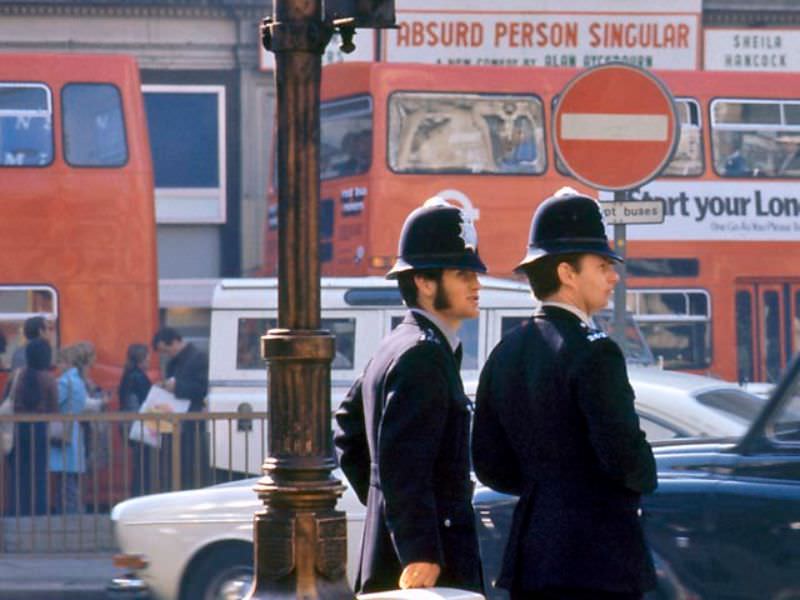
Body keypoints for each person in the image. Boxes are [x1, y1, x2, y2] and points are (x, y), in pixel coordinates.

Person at [472, 190, 658, 600]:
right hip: (598, 560)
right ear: (566, 273)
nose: (613, 277)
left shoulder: (507, 350)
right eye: (603, 265)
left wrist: (546, 489)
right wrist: (646, 473)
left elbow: (488, 461)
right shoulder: (595, 351)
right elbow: (624, 454)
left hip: (532, 554)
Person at [334, 198, 485, 594]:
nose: (476, 285)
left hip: (405, 554)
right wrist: (418, 547)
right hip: (422, 566)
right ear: (423, 281)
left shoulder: (404, 345)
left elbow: (348, 433)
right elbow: (403, 466)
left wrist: (387, 510)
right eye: (461, 273)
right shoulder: (421, 354)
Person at [151, 327, 208, 490]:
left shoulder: (198, 358)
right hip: (176, 418)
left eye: (166, 350)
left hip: (191, 420)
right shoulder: (174, 362)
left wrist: (177, 387)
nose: (166, 354)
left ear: (175, 342)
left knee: (190, 461)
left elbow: (202, 388)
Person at [7, 338, 58, 516]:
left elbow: (10, 401)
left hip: (19, 428)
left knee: (18, 473)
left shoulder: (18, 375)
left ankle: (17, 512)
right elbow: (54, 408)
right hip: (40, 428)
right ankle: (39, 513)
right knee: (39, 474)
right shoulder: (49, 379)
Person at [49, 344, 90, 513]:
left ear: (68, 363)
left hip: (63, 432)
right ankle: (72, 513)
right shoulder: (79, 381)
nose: (57, 366)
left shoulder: (66, 382)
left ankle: (72, 515)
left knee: (66, 481)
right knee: (69, 478)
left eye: (60, 362)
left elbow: (52, 402)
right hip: (74, 431)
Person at [118, 343, 153, 496]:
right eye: (148, 357)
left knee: (138, 463)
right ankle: (141, 494)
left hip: (130, 425)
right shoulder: (138, 376)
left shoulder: (127, 374)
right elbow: (148, 399)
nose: (150, 360)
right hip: (140, 426)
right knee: (144, 465)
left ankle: (138, 493)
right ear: (142, 359)